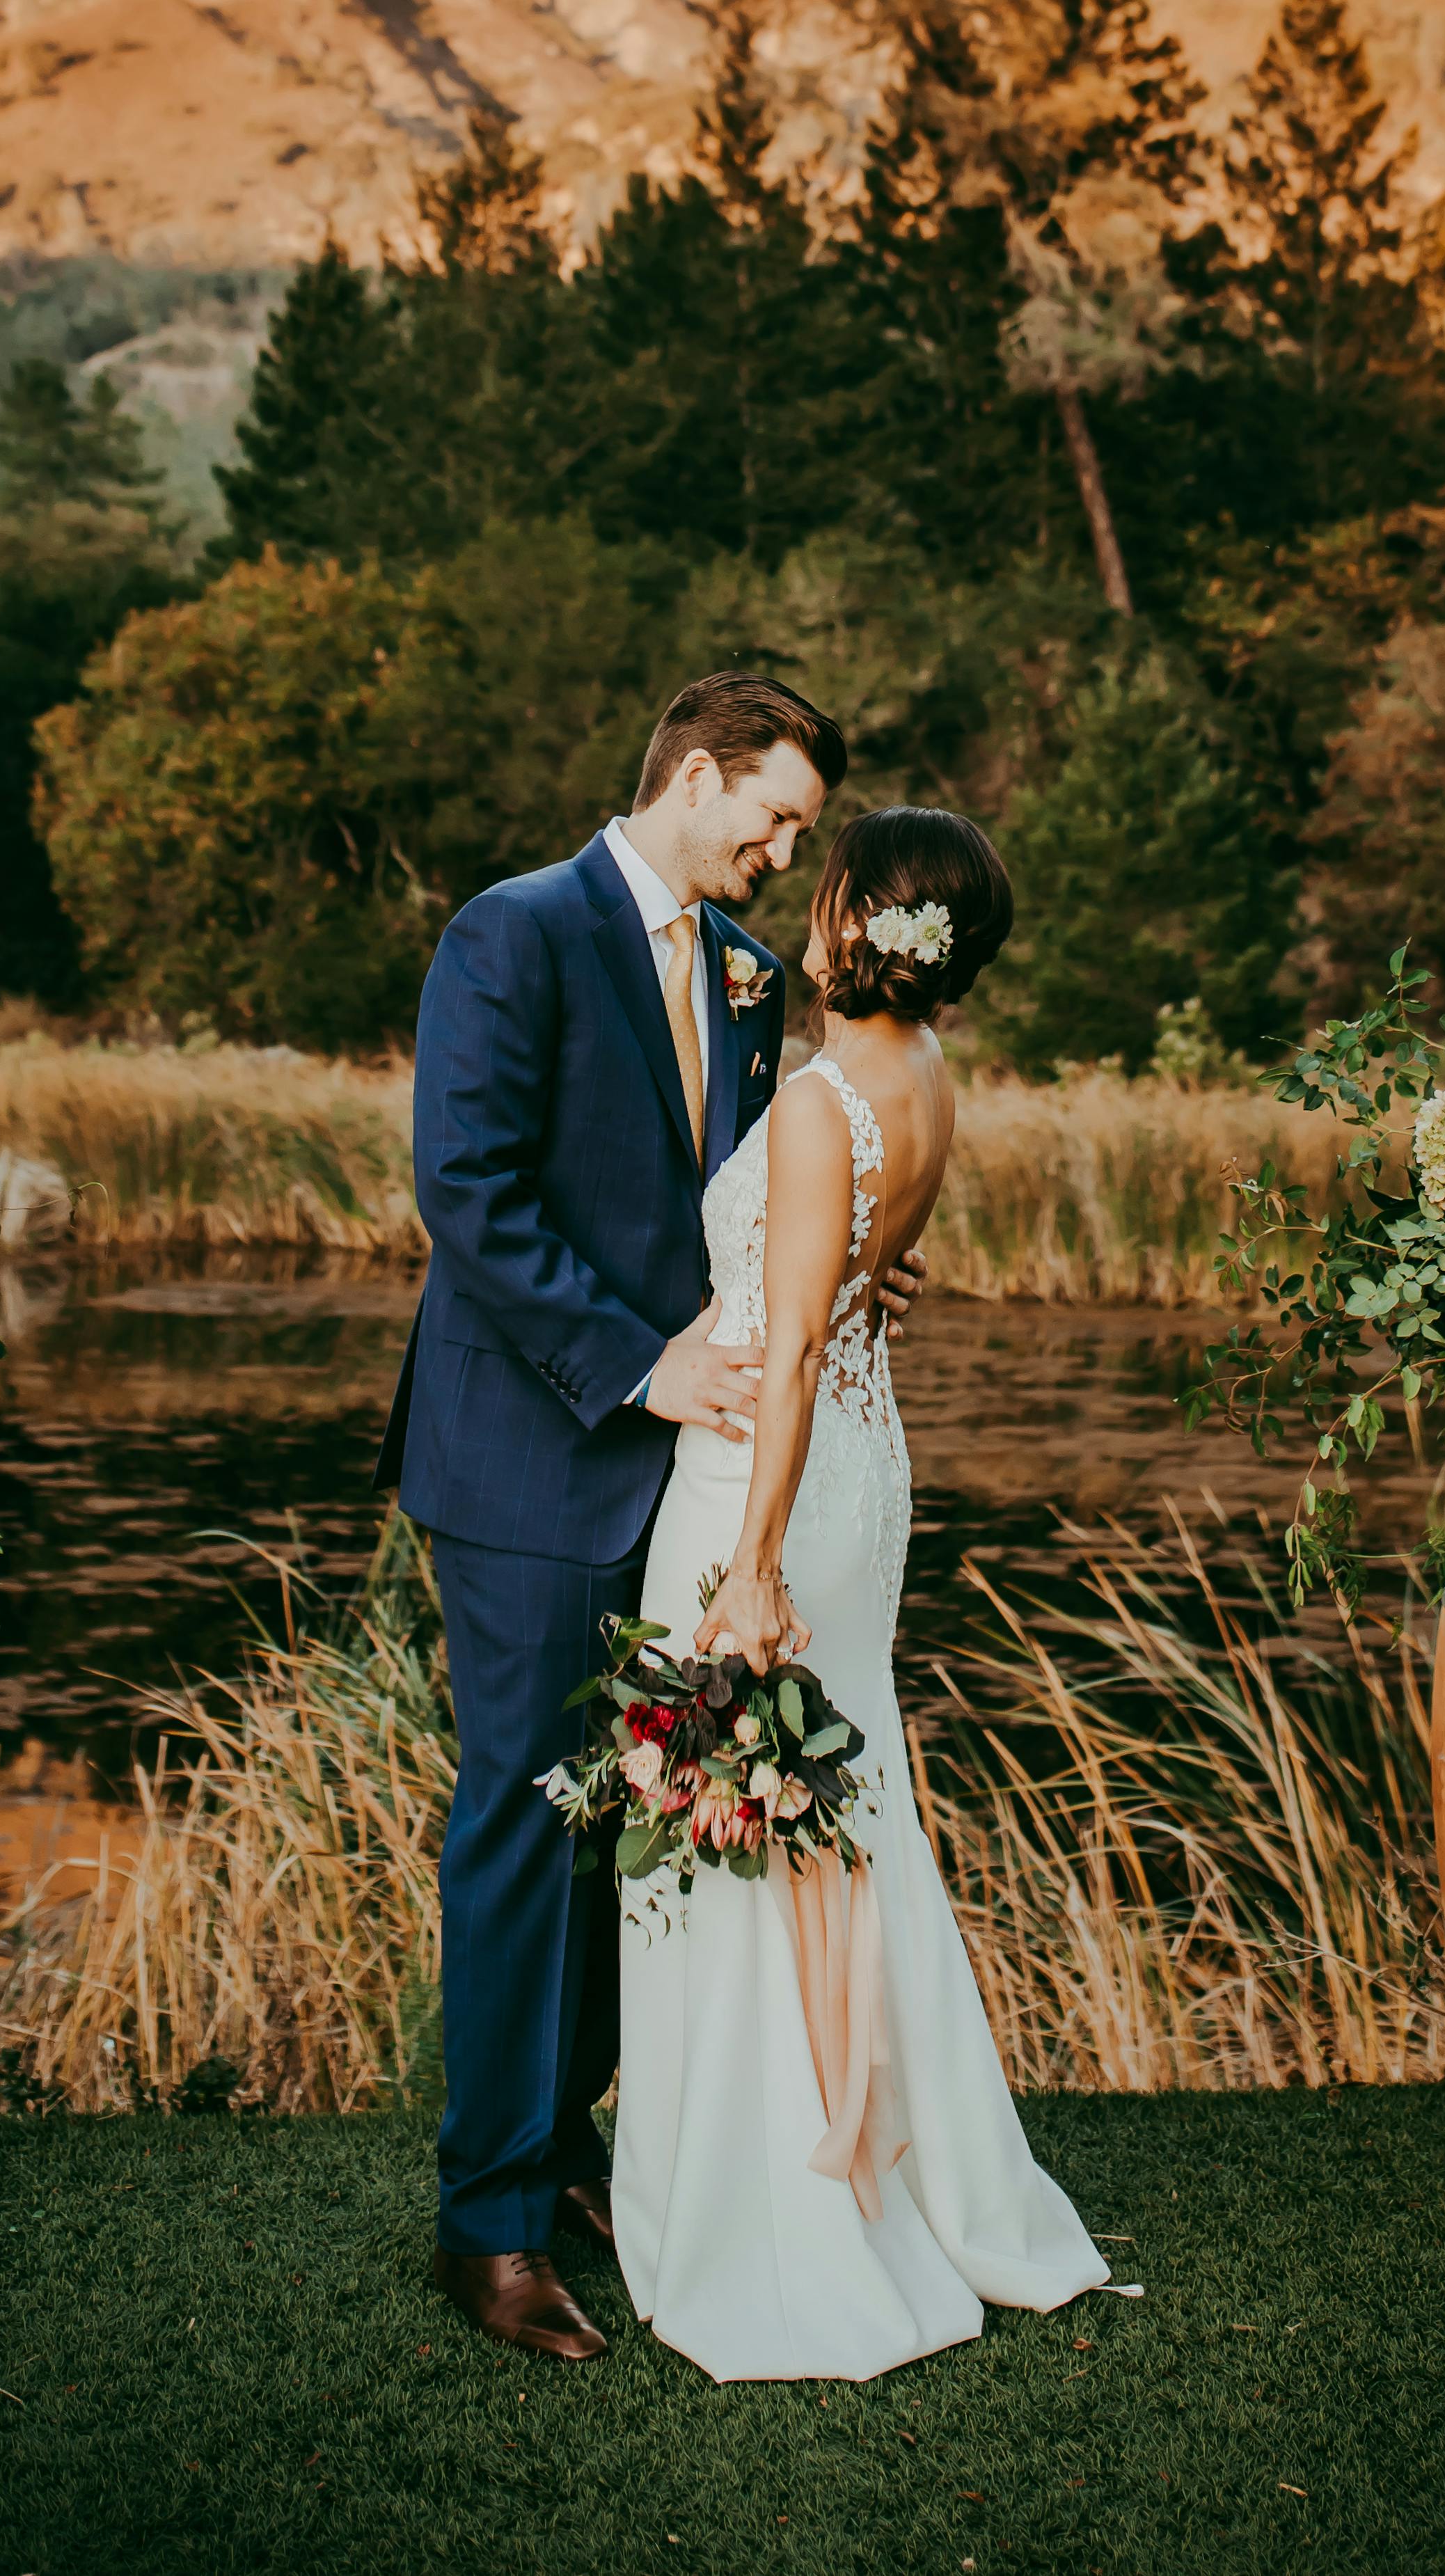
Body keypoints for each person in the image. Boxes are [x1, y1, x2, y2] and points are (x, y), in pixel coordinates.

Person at [381, 670, 929, 2364]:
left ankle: (567, 2162)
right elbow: (464, 1189)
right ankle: (487, 2231)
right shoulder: (513, 933)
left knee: (640, 1830)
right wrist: (642, 1366)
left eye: (797, 831)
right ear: (695, 775)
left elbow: (755, 1192)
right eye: (769, 817)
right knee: (523, 1826)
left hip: (690, 1482)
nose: (782, 853)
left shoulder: (755, 978)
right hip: (532, 1457)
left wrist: (834, 1280)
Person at [611, 802, 1108, 2378]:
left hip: (772, 1485)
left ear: (857, 929)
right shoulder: (928, 1079)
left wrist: (749, 1569)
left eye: (825, 896)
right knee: (845, 1810)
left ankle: (783, 2197)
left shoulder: (828, 1104)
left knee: (752, 1830)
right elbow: (854, 1291)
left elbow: (807, 1348)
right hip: (860, 1486)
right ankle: (890, 2154)